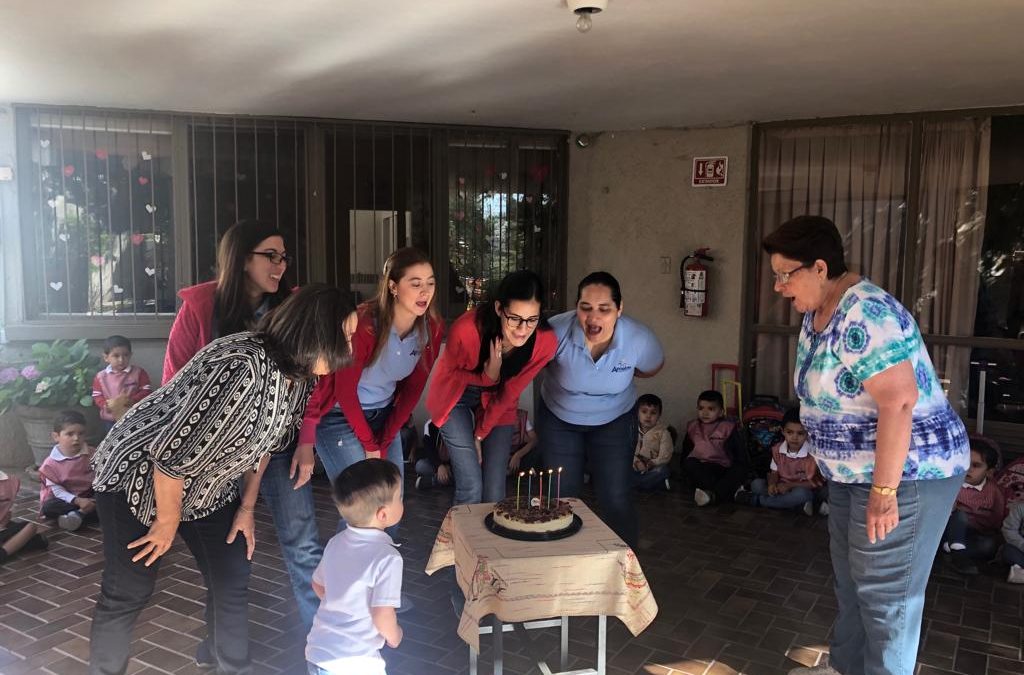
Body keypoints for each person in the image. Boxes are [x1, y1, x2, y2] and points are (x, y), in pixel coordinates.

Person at [88, 284, 358, 675]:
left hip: (206, 483)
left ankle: (232, 666)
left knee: (231, 573)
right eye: (344, 336)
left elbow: (265, 447)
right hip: (138, 476)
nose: (348, 349)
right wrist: (167, 521)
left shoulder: (299, 374)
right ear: (316, 330)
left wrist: (247, 508)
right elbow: (171, 453)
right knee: (129, 589)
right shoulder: (242, 364)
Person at [765, 216, 970, 675]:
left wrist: (884, 492)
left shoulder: (864, 312)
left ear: (819, 267)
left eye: (784, 274)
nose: (778, 286)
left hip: (904, 476)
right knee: (853, 585)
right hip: (852, 475)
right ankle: (844, 668)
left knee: (887, 597)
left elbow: (897, 402)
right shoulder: (818, 310)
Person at [160, 219, 324, 631]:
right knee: (226, 550)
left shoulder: (292, 308)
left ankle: (323, 644)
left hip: (278, 445)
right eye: (270, 255)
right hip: (217, 451)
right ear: (239, 258)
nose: (281, 265)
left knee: (302, 544)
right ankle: (218, 642)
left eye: (284, 257)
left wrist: (306, 440)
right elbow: (174, 385)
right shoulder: (201, 307)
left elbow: (314, 381)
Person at [300, 248, 443, 529]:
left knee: (391, 506)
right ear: (393, 286)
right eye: (415, 284)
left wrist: (386, 436)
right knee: (362, 510)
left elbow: (415, 387)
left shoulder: (432, 329)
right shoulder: (365, 325)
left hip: (383, 415)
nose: (424, 291)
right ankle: (349, 572)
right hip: (343, 416)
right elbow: (344, 390)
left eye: (430, 282)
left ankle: (384, 571)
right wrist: (370, 445)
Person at [539, 271, 664, 548]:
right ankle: (560, 562)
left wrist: (608, 383)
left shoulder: (638, 337)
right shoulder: (555, 331)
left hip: (615, 419)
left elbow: (651, 367)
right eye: (586, 308)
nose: (593, 317)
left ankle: (624, 571)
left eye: (604, 309)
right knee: (562, 495)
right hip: (559, 417)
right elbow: (537, 365)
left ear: (619, 309)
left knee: (615, 495)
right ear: (576, 307)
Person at [427, 270, 556, 505]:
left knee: (495, 491)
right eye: (514, 318)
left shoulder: (545, 343)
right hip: (454, 398)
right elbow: (449, 374)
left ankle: (490, 542)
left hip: (499, 403)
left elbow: (510, 392)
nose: (522, 329)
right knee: (471, 485)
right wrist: (488, 377)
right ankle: (460, 542)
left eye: (532, 319)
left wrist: (480, 433)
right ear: (499, 309)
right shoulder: (467, 330)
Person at [305, 459, 404, 675]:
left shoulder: (336, 542)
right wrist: (395, 635)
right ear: (383, 514)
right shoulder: (388, 558)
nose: (402, 502)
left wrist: (344, 606)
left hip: (319, 653)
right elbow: (382, 614)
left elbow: (317, 584)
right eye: (399, 498)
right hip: (356, 662)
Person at [735, 408, 829, 515]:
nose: (794, 437)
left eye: (800, 433)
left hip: (801, 489)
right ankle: (797, 506)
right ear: (782, 431)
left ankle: (758, 500)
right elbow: (774, 473)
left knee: (803, 494)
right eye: (790, 432)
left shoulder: (812, 454)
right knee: (757, 485)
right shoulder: (777, 449)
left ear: (807, 434)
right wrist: (772, 484)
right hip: (781, 487)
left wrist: (790, 486)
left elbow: (815, 483)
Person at [941, 443, 1005, 575]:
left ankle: (950, 551)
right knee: (960, 515)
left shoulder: (994, 491)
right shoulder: (954, 484)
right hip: (952, 528)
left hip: (977, 533)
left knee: (989, 546)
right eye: (966, 463)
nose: (968, 469)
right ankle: (957, 553)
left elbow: (998, 517)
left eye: (976, 465)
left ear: (989, 472)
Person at [681, 390, 746, 507]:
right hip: (701, 468)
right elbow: (686, 452)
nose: (705, 413)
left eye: (711, 409)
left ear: (721, 412)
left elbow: (739, 454)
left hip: (722, 467)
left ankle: (713, 495)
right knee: (689, 463)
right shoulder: (693, 427)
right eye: (701, 408)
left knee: (738, 470)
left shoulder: (728, 428)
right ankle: (722, 492)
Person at [39, 410, 98, 531]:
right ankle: (85, 513)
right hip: (67, 499)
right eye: (70, 434)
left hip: (90, 495)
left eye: (81, 433)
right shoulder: (50, 463)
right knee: (49, 507)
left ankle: (78, 515)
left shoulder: (93, 453)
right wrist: (78, 501)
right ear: (56, 436)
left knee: (109, 499)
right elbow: (57, 491)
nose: (76, 438)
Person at [92, 335, 152, 433]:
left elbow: (146, 390)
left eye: (125, 355)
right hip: (110, 419)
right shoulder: (101, 377)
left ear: (131, 355)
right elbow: (97, 395)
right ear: (106, 357)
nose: (121, 359)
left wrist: (134, 400)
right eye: (116, 356)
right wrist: (105, 405)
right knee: (111, 442)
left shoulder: (138, 373)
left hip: (134, 417)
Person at [1, 469, 47, 565]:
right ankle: (32, 542)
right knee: (33, 536)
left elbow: (7, 513)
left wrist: (4, 522)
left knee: (30, 526)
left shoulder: (10, 482)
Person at [632, 394, 673, 491]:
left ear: (659, 415)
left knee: (663, 470)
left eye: (653, 413)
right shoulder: (631, 429)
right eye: (644, 411)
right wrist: (636, 462)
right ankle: (650, 484)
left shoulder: (663, 433)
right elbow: (626, 449)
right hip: (634, 466)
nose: (648, 416)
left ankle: (638, 483)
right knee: (619, 466)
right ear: (637, 413)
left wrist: (651, 463)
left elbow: (665, 456)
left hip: (652, 467)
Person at [414, 421, 452, 490]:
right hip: (437, 464)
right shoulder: (430, 425)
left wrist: (449, 466)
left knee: (463, 472)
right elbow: (429, 449)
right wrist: (439, 466)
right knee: (420, 466)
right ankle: (449, 478)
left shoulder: (457, 425)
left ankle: (433, 481)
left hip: (454, 466)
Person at [506, 408, 540, 474]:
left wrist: (518, 455)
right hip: (502, 456)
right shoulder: (495, 417)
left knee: (538, 450)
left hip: (518, 452)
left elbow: (534, 440)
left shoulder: (521, 416)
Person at [1002, 501, 1024, 584]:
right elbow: (1009, 530)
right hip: (1021, 548)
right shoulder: (1020, 508)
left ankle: (1019, 574)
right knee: (1008, 552)